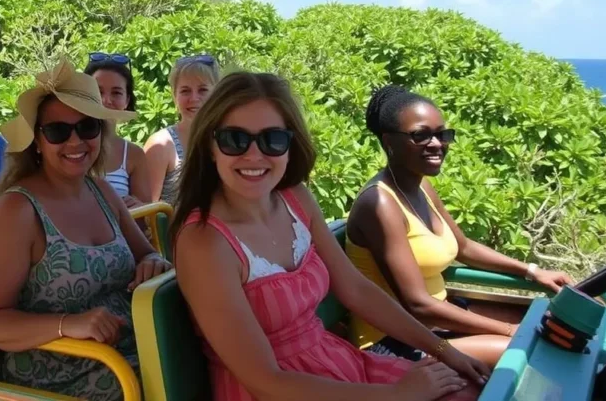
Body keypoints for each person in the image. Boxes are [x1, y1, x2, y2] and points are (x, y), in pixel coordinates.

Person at [171, 71, 490, 401]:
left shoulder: (295, 198)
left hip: (331, 361)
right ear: (211, 147)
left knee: (472, 387)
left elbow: (355, 289)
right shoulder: (204, 241)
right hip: (276, 390)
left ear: (290, 145)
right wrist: (397, 395)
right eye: (235, 139)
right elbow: (265, 381)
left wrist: (443, 350)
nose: (254, 155)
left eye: (273, 140)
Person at [0, 56, 172, 401]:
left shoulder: (102, 191)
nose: (75, 141)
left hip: (131, 353)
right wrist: (69, 323)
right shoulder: (17, 211)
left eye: (87, 127)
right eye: (57, 131)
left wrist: (153, 262)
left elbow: (148, 254)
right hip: (62, 373)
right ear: (37, 140)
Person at [344, 84, 573, 367]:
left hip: (435, 324)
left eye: (443, 134)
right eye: (421, 135)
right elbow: (418, 305)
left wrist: (532, 271)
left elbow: (463, 247)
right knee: (528, 352)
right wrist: (510, 331)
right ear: (388, 141)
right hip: (396, 341)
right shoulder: (379, 204)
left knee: (556, 332)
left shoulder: (422, 186)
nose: (437, 143)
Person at [143, 54, 220, 205]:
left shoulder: (229, 140)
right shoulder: (161, 145)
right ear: (174, 96)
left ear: (216, 94)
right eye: (185, 91)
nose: (194, 98)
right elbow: (145, 213)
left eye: (203, 90)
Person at [83, 52, 152, 208]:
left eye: (116, 93)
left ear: (127, 100)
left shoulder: (134, 154)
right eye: (98, 92)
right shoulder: (69, 145)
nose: (106, 100)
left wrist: (139, 207)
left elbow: (148, 220)